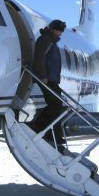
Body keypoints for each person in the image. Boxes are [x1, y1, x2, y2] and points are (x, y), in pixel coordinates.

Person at [32, 19, 67, 150]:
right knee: (56, 104)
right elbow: (39, 58)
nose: (60, 34)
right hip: (46, 79)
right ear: (53, 29)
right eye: (59, 31)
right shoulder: (45, 40)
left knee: (57, 104)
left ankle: (54, 134)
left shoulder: (51, 41)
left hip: (51, 79)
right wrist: (42, 76)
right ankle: (40, 128)